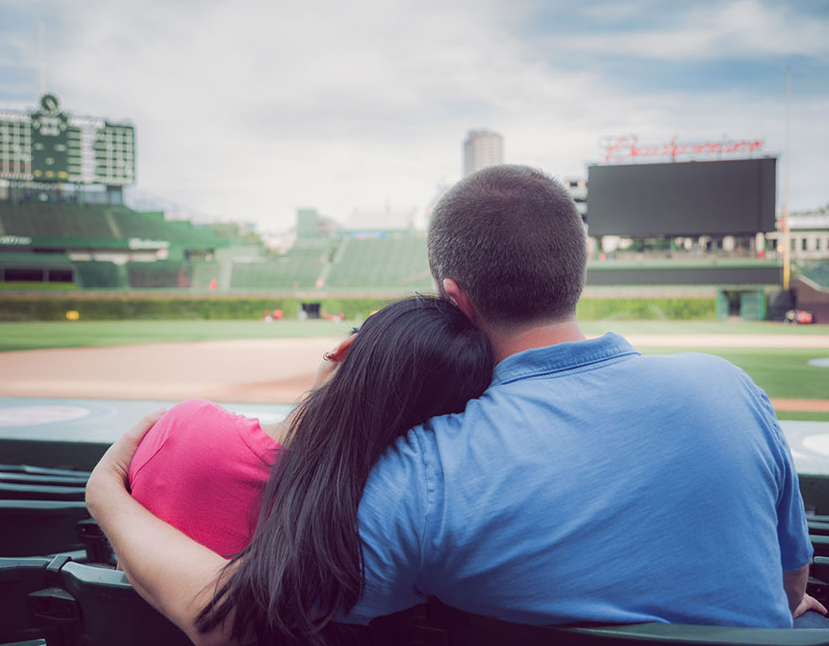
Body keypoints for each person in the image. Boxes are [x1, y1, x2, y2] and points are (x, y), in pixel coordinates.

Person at [88, 165, 824, 645]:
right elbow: (791, 587)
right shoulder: (731, 390)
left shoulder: (424, 470)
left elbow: (242, 624)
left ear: (454, 299)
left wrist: (107, 498)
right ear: (577, 271)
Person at [96, 295, 493, 644]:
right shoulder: (393, 511)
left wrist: (103, 494)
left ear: (343, 349)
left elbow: (124, 573)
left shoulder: (187, 425)